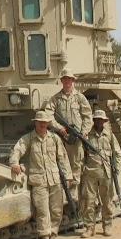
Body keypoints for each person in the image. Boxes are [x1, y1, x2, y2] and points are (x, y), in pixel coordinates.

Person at [9, 110, 73, 239]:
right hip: (39, 182)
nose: (43, 125)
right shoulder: (29, 138)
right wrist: (14, 162)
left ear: (48, 124)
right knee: (43, 212)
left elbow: (62, 158)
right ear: (36, 123)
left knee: (57, 211)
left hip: (55, 180)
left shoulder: (54, 138)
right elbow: (17, 150)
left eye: (45, 122)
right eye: (40, 122)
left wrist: (68, 176)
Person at [46, 69, 92, 211]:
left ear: (73, 81)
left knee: (76, 166)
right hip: (61, 137)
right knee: (61, 165)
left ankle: (74, 199)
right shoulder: (55, 99)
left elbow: (87, 116)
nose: (67, 82)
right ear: (62, 81)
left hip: (76, 138)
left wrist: (84, 132)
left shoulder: (79, 98)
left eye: (69, 79)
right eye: (64, 79)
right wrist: (59, 128)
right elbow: (48, 114)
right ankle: (63, 195)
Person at [80, 110, 121, 238]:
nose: (99, 121)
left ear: (104, 121)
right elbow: (81, 154)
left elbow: (117, 153)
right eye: (97, 119)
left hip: (106, 172)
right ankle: (89, 228)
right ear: (94, 121)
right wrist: (83, 169)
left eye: (101, 119)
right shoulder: (87, 135)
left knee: (107, 201)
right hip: (91, 173)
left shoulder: (109, 135)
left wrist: (117, 167)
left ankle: (107, 226)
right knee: (89, 201)